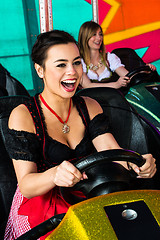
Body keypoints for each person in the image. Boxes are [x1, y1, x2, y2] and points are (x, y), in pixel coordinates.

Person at [4, 30, 156, 240]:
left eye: (76, 63)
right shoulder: (23, 115)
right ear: (40, 70)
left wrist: (138, 164)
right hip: (43, 203)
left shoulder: (90, 106)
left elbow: (112, 152)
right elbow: (27, 186)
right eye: (61, 65)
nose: (72, 72)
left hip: (86, 191)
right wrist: (55, 174)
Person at [78, 21, 156, 89]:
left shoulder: (109, 58)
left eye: (100, 34)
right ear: (85, 37)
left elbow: (128, 76)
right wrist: (115, 84)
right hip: (90, 102)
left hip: (111, 102)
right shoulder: (78, 62)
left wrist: (144, 71)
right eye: (94, 34)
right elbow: (87, 85)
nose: (99, 38)